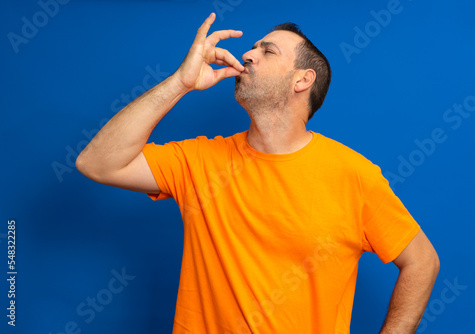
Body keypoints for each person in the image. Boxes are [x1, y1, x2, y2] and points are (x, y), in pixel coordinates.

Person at [76, 13, 440, 334]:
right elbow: (97, 163)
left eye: (268, 51)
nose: (247, 55)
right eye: (252, 48)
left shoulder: (353, 175)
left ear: (302, 80)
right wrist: (179, 83)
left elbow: (422, 261)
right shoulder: (199, 160)